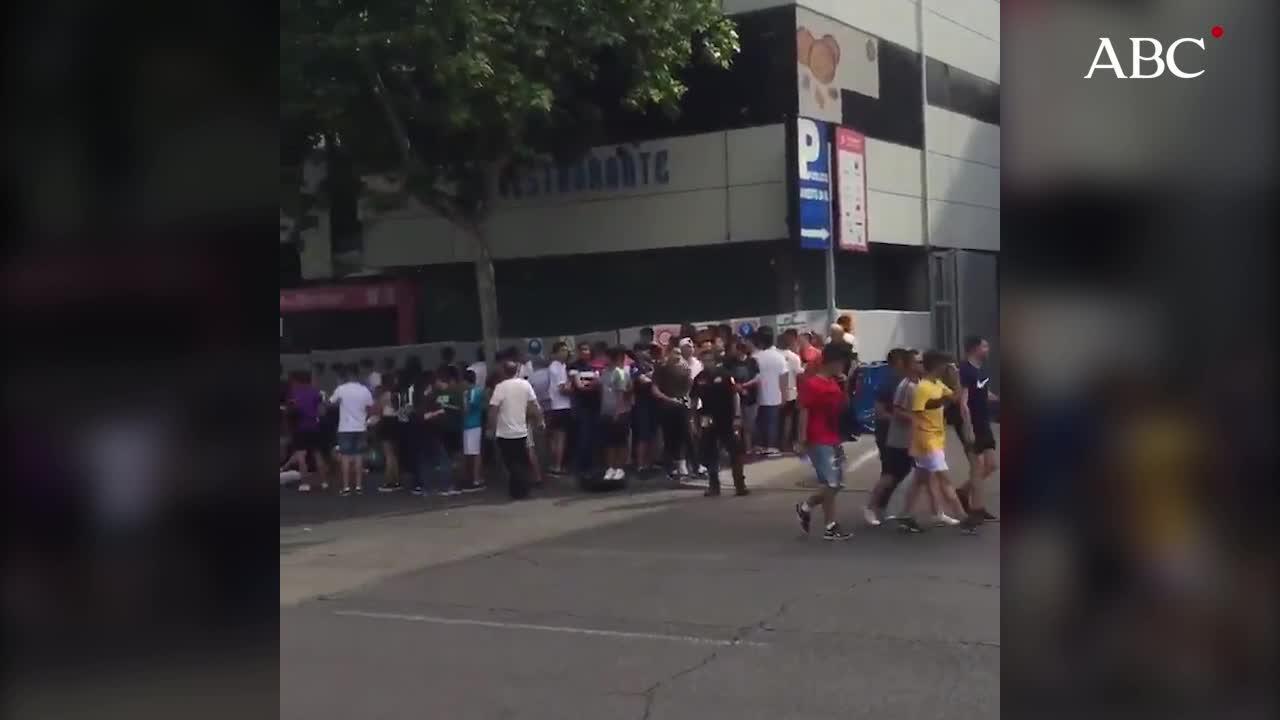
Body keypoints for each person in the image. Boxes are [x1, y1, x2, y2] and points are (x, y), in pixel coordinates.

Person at [794, 344, 853, 540]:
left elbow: (843, 405)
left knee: (837, 483)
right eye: (842, 363)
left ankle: (806, 507)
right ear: (833, 362)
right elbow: (804, 411)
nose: (843, 367)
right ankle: (830, 525)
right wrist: (802, 439)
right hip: (818, 437)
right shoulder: (812, 384)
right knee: (831, 482)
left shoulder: (834, 382)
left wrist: (844, 385)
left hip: (833, 436)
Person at [903, 351, 969, 530]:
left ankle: (906, 516)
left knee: (919, 480)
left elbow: (954, 397)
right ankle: (963, 518)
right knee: (944, 479)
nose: (950, 369)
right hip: (927, 440)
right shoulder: (923, 387)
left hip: (936, 437)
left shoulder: (937, 383)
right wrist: (915, 443)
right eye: (947, 366)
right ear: (939, 366)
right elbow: (916, 414)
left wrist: (955, 379)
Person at [952, 336, 1000, 522]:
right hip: (970, 423)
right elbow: (962, 403)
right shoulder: (964, 370)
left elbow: (983, 391)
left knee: (991, 465)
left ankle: (963, 492)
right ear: (974, 349)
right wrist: (968, 429)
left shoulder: (981, 370)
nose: (988, 349)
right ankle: (977, 508)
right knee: (977, 466)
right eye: (985, 346)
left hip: (983, 422)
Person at [865, 349, 914, 524]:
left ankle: (884, 506)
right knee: (890, 472)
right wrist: (900, 419)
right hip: (888, 433)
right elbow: (879, 411)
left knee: (903, 471)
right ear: (899, 362)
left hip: (905, 434)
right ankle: (872, 507)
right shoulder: (890, 382)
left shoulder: (907, 381)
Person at [692, 345, 747, 496]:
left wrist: (737, 417)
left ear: (715, 361)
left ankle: (740, 485)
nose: (707, 363)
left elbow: (735, 395)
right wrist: (694, 421)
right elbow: (694, 400)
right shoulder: (699, 379)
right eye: (704, 360)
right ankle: (714, 486)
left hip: (726, 418)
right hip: (707, 419)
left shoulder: (725, 375)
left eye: (710, 360)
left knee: (734, 451)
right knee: (710, 453)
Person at [487, 361, 544, 499]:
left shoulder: (500, 387)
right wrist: (540, 420)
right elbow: (533, 405)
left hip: (504, 432)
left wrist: (491, 428)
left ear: (503, 371)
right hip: (521, 430)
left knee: (510, 462)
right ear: (517, 370)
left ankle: (517, 489)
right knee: (521, 460)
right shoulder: (525, 385)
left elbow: (493, 410)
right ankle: (522, 488)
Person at [329, 363, 374, 496]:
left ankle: (346, 487)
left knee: (345, 457)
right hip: (361, 427)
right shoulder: (364, 390)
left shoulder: (341, 389)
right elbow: (370, 407)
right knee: (359, 457)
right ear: (357, 374)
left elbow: (330, 403)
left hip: (345, 428)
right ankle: (359, 486)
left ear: (347, 374)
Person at [653, 349, 693, 477]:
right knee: (669, 436)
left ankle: (683, 463)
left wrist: (685, 400)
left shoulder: (685, 369)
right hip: (666, 406)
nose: (677, 356)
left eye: (679, 354)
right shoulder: (661, 369)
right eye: (674, 353)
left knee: (684, 434)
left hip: (681, 406)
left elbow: (688, 387)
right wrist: (668, 399)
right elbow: (654, 389)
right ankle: (670, 467)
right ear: (668, 354)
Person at [287, 370, 330, 492]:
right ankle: (324, 482)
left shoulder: (294, 393)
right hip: (314, 427)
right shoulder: (315, 392)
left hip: (301, 428)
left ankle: (305, 484)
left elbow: (292, 410)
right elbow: (322, 411)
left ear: (297, 380)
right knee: (318, 454)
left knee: (301, 456)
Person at [410, 370, 450, 496]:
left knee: (424, 461)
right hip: (431, 433)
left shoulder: (417, 396)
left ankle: (427, 488)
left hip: (422, 434)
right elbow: (424, 416)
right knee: (443, 460)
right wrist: (438, 413)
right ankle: (445, 487)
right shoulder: (429, 398)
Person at [751, 327, 787, 457]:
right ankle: (771, 446)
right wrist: (784, 395)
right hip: (775, 394)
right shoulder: (780, 357)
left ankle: (759, 445)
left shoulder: (755, 357)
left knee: (759, 422)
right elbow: (783, 377)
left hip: (758, 395)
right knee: (772, 422)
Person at [599, 346, 633, 481]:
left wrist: (617, 413)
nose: (604, 359)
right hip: (606, 412)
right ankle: (611, 468)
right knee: (609, 442)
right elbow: (602, 392)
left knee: (620, 442)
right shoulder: (604, 372)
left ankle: (619, 468)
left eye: (606, 356)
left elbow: (621, 394)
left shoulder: (620, 373)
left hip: (620, 413)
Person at [568, 342, 602, 478]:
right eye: (582, 350)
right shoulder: (574, 366)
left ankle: (593, 465)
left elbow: (600, 384)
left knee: (594, 437)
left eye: (587, 349)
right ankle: (581, 467)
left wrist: (593, 385)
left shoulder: (594, 366)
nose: (584, 352)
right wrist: (594, 385)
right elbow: (579, 386)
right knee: (583, 436)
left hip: (595, 405)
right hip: (581, 406)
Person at [723, 340, 760, 454]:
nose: (739, 351)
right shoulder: (729, 362)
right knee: (736, 425)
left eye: (742, 348)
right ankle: (736, 449)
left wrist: (744, 386)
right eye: (738, 348)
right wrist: (736, 387)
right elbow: (727, 377)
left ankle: (748, 448)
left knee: (749, 425)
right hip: (734, 398)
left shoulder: (752, 362)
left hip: (750, 398)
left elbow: (758, 377)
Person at [629, 342, 660, 473]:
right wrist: (654, 376)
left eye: (648, 350)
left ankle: (650, 463)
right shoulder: (634, 366)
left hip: (654, 403)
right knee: (643, 435)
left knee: (653, 434)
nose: (647, 353)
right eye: (644, 350)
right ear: (637, 352)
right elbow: (643, 380)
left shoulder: (653, 365)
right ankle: (641, 465)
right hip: (641, 404)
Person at [546, 341, 573, 475]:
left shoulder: (561, 366)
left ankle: (556, 464)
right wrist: (574, 386)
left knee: (557, 437)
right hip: (560, 406)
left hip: (560, 406)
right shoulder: (557, 367)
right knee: (559, 438)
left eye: (566, 350)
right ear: (555, 353)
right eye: (562, 350)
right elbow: (563, 389)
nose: (565, 353)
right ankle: (557, 466)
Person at [374, 372, 403, 492]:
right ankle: (396, 480)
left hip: (386, 422)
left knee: (388, 454)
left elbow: (379, 412)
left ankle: (388, 481)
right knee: (394, 455)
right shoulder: (398, 395)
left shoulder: (384, 396)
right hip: (396, 422)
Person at [460, 369, 487, 492]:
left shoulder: (473, 392)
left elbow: (467, 409)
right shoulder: (473, 391)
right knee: (470, 453)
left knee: (475, 454)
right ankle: (471, 477)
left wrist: (464, 399)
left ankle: (475, 479)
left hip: (473, 426)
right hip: (469, 426)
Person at [779, 329, 804, 453]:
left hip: (774, 392)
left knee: (779, 419)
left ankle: (780, 443)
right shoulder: (794, 357)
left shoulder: (776, 355)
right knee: (789, 418)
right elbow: (800, 373)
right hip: (790, 391)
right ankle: (786, 443)